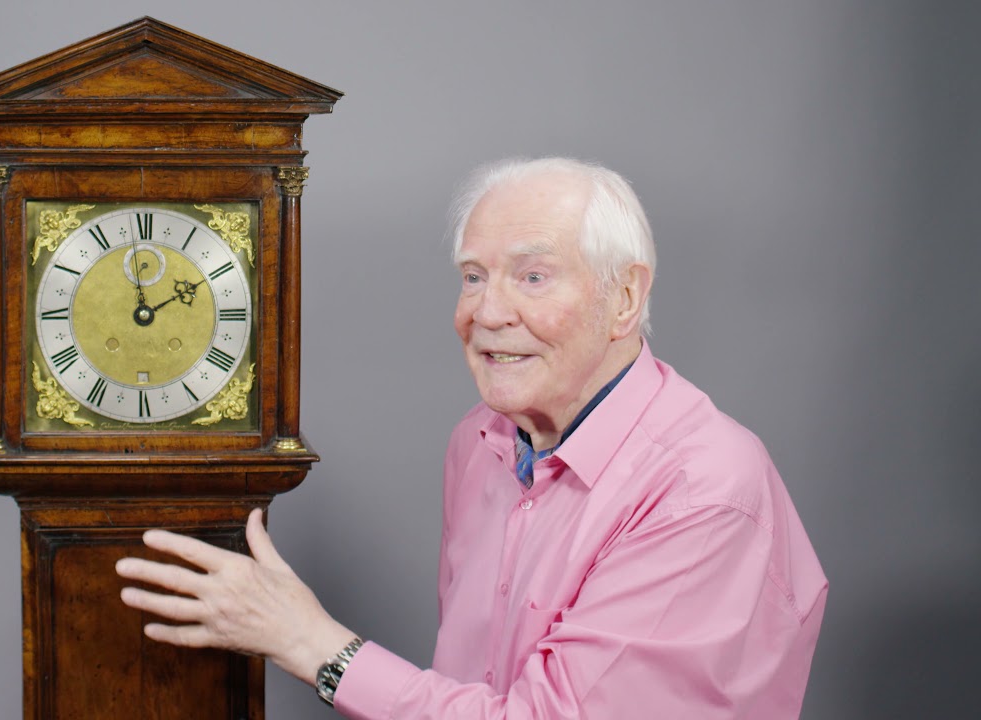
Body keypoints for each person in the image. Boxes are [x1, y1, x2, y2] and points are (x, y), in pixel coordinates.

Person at [115, 157, 828, 718]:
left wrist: (313, 644)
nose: (487, 313)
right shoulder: (480, 443)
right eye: (474, 276)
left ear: (625, 297)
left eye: (533, 276)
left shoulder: (703, 492)